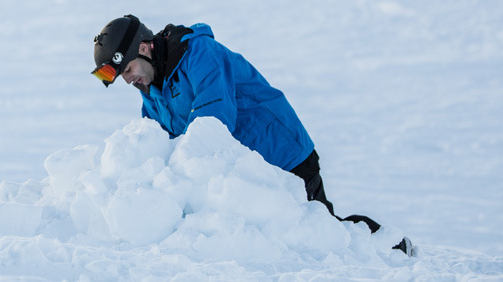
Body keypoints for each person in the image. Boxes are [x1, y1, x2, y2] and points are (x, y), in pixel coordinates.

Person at [91, 15, 412, 255]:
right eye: (122, 77)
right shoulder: (151, 88)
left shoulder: (199, 54)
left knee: (321, 233)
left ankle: (391, 247)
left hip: (282, 154)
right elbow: (157, 140)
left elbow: (213, 120)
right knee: (288, 242)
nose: (128, 80)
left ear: (144, 48)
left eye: (128, 70)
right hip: (243, 172)